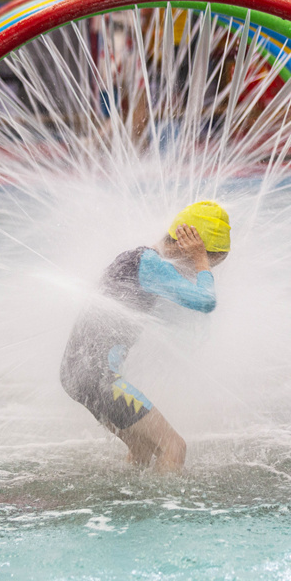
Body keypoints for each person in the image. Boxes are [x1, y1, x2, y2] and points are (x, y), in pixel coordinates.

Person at [60, 201, 231, 473]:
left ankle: (123, 508)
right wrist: (201, 259)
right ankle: (164, 515)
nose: (200, 271)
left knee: (141, 448)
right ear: (188, 246)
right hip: (98, 377)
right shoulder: (150, 264)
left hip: (78, 374)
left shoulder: (135, 259)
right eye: (208, 262)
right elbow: (206, 301)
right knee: (173, 448)